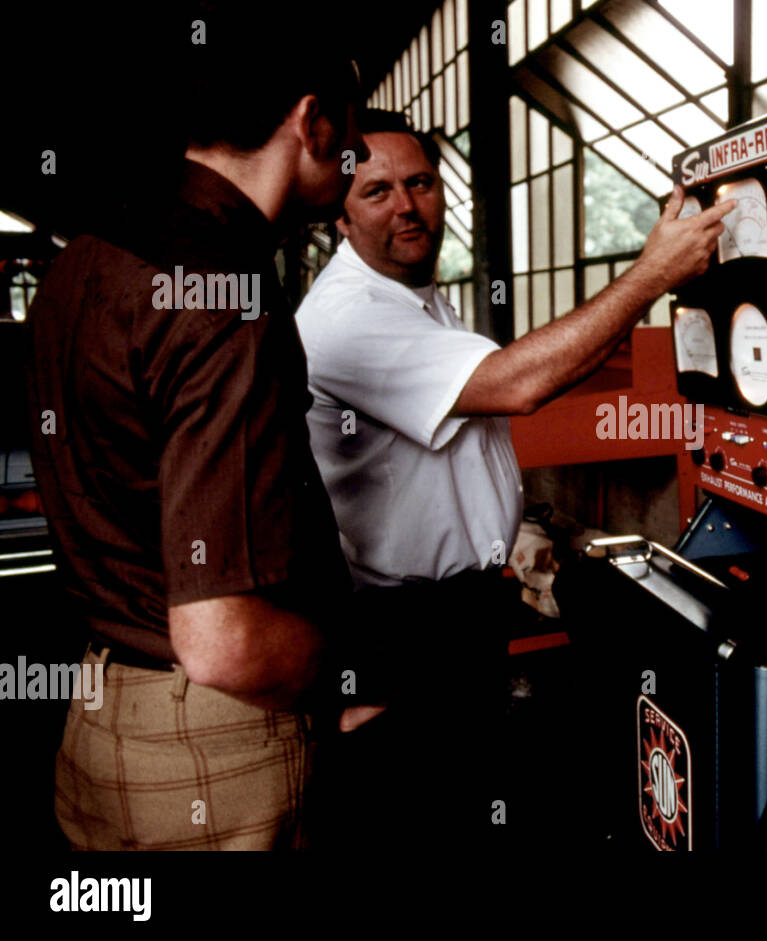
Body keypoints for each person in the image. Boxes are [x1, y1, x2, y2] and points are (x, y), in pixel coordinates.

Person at [295, 109, 731, 846]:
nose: (406, 205)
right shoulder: (347, 315)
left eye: (421, 182)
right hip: (401, 626)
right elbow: (516, 385)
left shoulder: (420, 298)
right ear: (338, 215)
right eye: (376, 192)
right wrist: (652, 275)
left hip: (460, 610)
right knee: (421, 814)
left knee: (471, 800)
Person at [24, 13, 374, 850]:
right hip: (215, 746)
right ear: (313, 124)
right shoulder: (224, 295)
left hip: (98, 718)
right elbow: (221, 640)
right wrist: (348, 667)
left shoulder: (81, 260)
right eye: (353, 139)